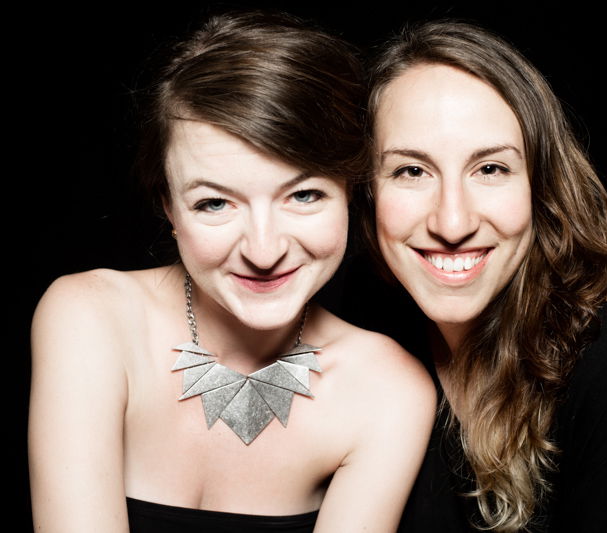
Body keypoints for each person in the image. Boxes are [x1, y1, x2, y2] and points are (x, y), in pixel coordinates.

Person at [29, 12, 436, 533]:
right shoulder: (90, 318)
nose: (263, 251)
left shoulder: (388, 390)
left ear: (351, 194)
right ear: (169, 208)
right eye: (215, 203)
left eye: (304, 195)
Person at [357, 20, 607, 532]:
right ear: (367, 193)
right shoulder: (362, 341)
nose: (453, 222)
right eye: (411, 171)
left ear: (541, 188)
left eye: (490, 169)